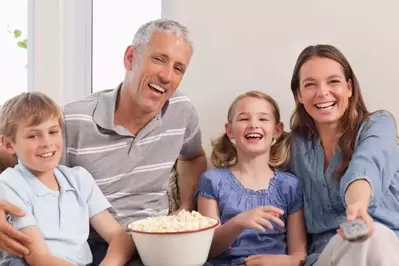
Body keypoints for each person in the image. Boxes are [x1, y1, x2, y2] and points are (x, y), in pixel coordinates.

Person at [0, 19, 207, 265]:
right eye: (159, 59)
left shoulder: (182, 111)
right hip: (97, 246)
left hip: (157, 242)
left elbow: (193, 157)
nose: (166, 75)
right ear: (130, 57)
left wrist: (186, 205)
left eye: (179, 68)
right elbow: (15, 156)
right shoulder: (72, 121)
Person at [289, 44, 399, 266]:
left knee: (372, 237)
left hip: (385, 248)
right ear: (299, 95)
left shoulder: (378, 125)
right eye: (310, 85)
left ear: (349, 88)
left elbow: (366, 165)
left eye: (333, 81)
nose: (322, 92)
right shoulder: (293, 146)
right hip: (325, 258)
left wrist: (357, 206)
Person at [0, 92, 134, 266]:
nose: (47, 142)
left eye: (53, 132)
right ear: (9, 144)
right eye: (33, 135)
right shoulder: (10, 183)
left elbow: (119, 236)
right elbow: (38, 258)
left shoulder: (79, 178)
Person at [198, 91, 307, 266]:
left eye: (263, 119)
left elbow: (298, 255)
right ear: (230, 131)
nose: (253, 125)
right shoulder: (212, 181)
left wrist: (281, 261)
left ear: (277, 130)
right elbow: (206, 249)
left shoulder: (290, 186)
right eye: (243, 119)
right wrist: (238, 223)